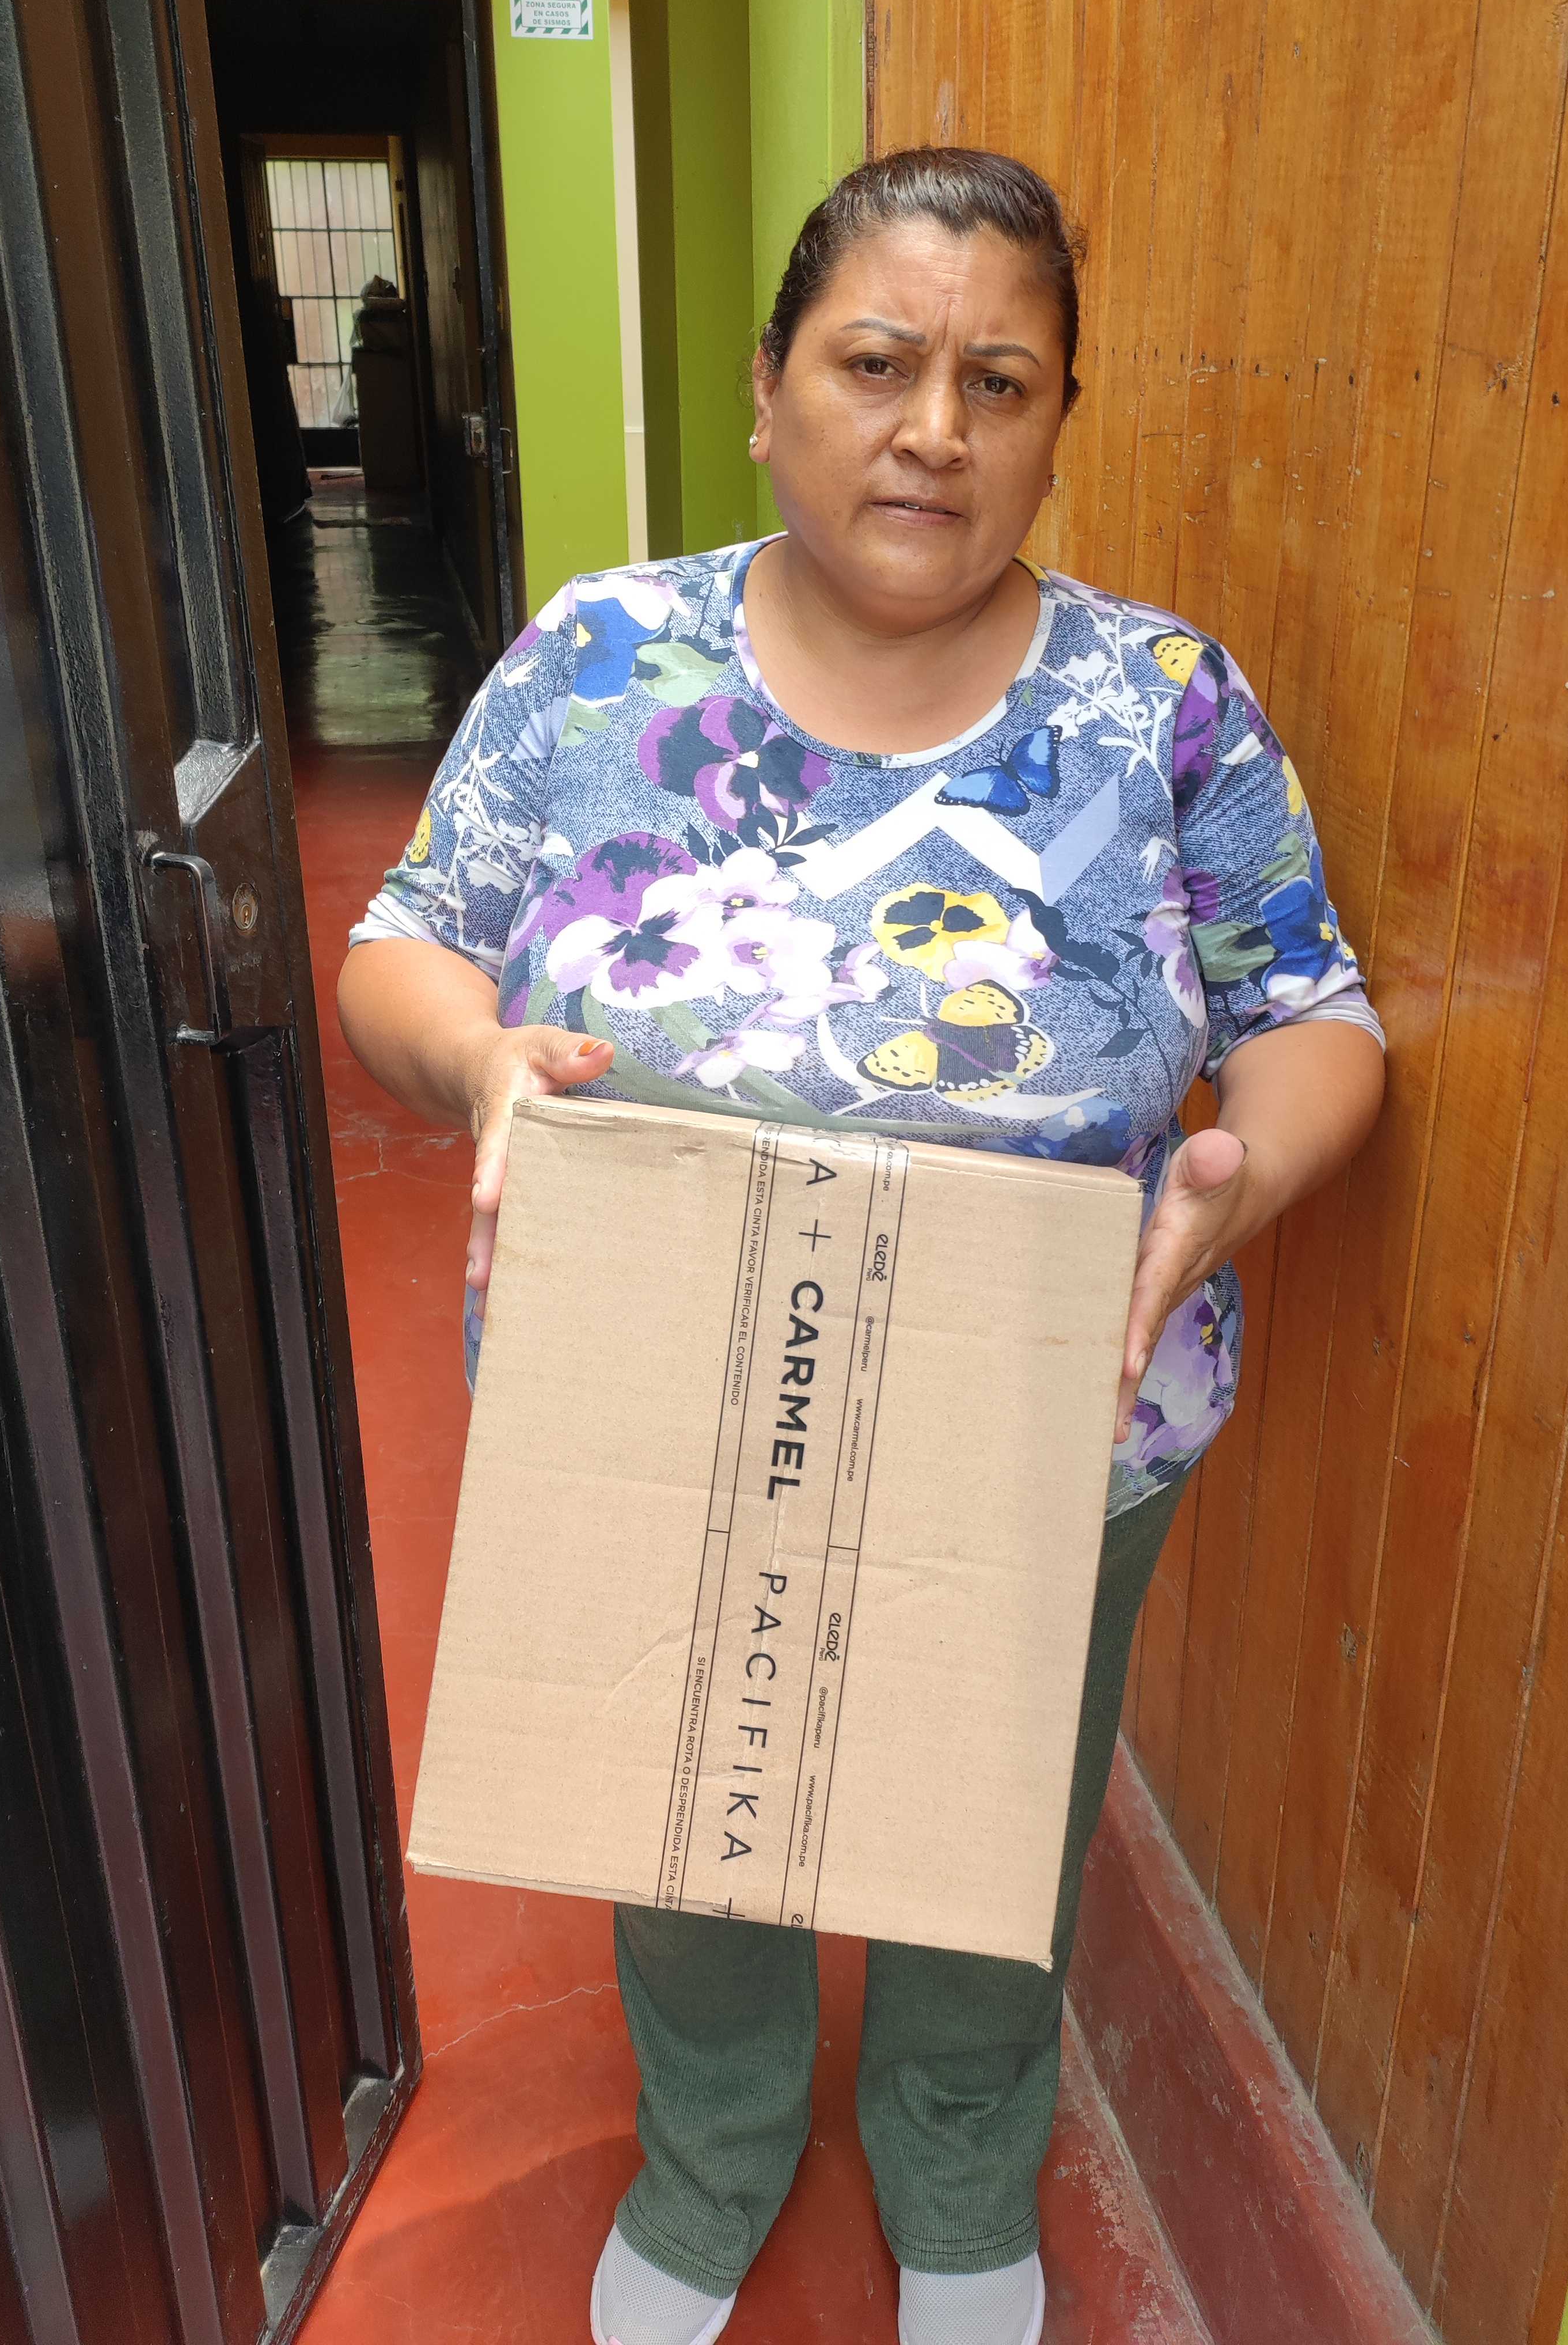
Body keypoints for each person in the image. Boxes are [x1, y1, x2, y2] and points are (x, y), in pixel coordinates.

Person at [338, 148, 1385, 2345]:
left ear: (1060, 421)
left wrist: (1248, 1177)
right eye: (878, 363)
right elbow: (404, 942)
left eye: (1000, 382)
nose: (933, 430)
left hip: (1050, 1403)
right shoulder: (601, 657)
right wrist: (480, 1063)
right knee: (679, 1795)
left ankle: (960, 2161)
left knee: (994, 1812)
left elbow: (1315, 1013)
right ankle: (713, 2151)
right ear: (769, 392)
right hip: (649, 1377)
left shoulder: (1161, 705)